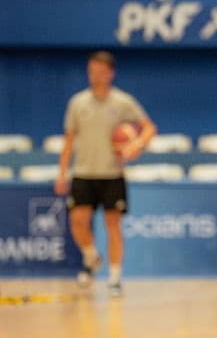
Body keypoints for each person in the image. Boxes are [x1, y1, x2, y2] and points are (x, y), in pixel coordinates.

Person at [54, 51, 156, 297]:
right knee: (77, 221)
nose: (95, 76)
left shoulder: (122, 102)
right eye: (91, 71)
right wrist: (62, 172)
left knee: (113, 225)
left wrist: (136, 144)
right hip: (83, 173)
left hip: (112, 174)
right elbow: (69, 141)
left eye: (100, 72)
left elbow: (149, 128)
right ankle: (91, 256)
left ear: (111, 73)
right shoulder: (78, 103)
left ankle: (114, 277)